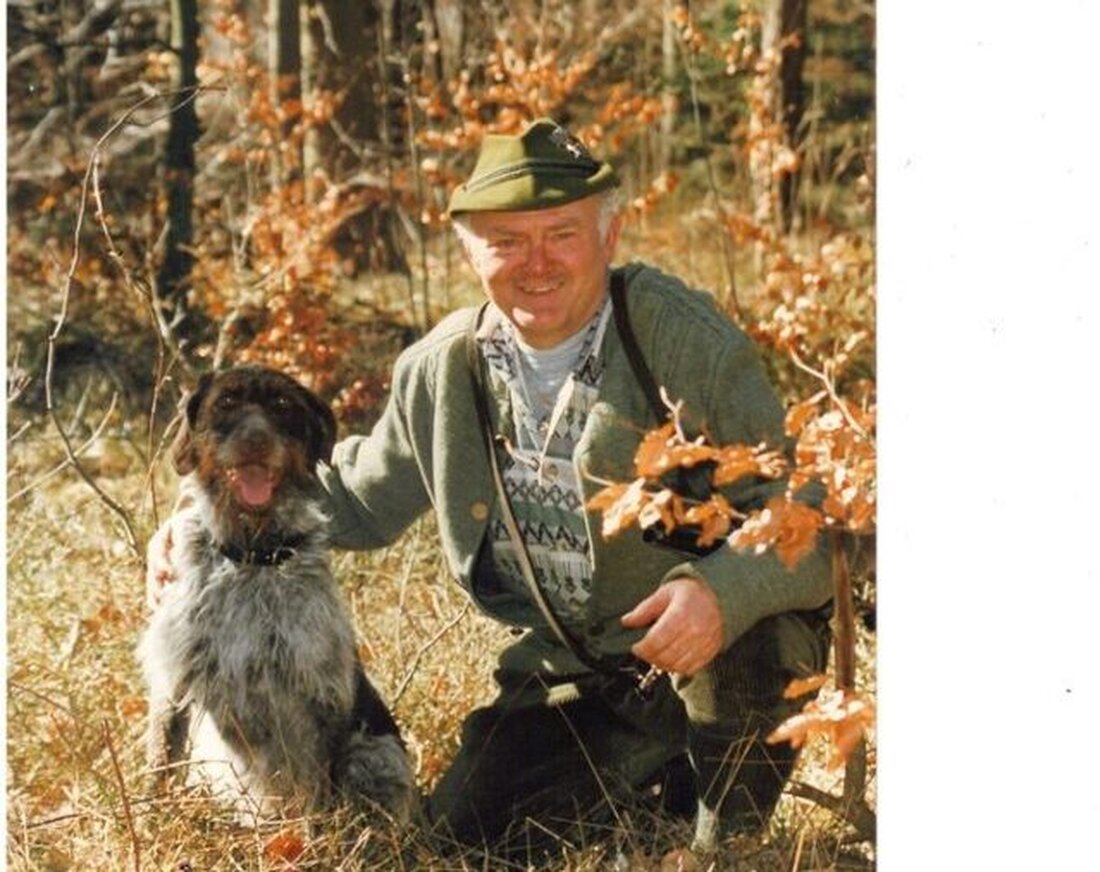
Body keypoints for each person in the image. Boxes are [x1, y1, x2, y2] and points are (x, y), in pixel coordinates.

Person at [147, 118, 833, 857]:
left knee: (755, 640)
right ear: (471, 250)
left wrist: (720, 595)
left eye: (561, 234)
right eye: (506, 240)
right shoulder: (442, 369)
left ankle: (724, 843)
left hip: (710, 650)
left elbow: (809, 517)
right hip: (576, 673)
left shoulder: (679, 338)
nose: (535, 263)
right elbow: (351, 498)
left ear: (610, 234)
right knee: (460, 848)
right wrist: (192, 519)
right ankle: (653, 785)